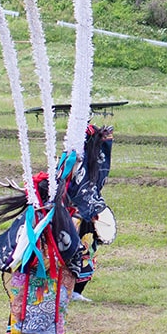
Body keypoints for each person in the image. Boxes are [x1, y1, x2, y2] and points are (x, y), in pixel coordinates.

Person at [0, 168, 83, 334]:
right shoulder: (58, 217)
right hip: (54, 271)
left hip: (32, 270)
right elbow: (71, 245)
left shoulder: (34, 217)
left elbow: (14, 243)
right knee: (51, 305)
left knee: (29, 304)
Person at [66, 123, 117, 302]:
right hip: (72, 212)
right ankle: (65, 288)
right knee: (69, 249)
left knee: (86, 251)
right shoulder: (75, 159)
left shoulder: (95, 163)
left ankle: (76, 290)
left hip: (87, 212)